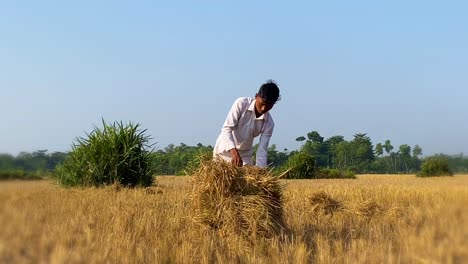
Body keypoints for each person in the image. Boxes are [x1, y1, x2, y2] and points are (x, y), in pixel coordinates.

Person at [213, 80, 281, 167]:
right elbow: (227, 128)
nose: (264, 108)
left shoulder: (269, 123)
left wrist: (260, 170)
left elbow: (262, 150)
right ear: (256, 96)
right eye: (262, 104)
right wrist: (233, 151)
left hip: (244, 157)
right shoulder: (241, 104)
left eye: (269, 105)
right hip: (223, 152)